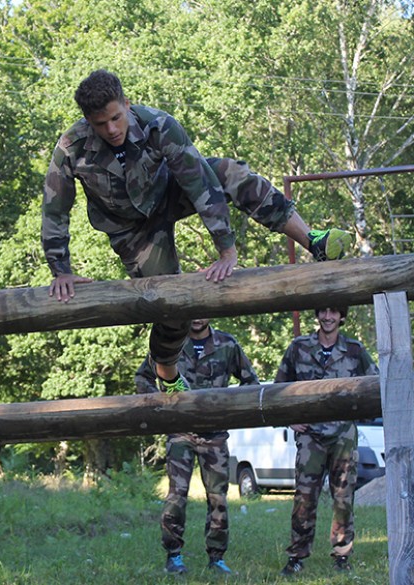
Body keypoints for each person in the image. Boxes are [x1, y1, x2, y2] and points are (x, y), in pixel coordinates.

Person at [44, 69, 353, 396]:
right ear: (87, 122)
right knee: (170, 303)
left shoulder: (158, 125)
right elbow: (55, 208)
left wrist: (226, 249)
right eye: (100, 124)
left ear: (127, 104)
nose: (111, 129)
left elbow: (199, 182)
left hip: (169, 193)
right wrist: (60, 270)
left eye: (116, 118)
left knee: (231, 173)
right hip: (130, 229)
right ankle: (167, 374)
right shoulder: (72, 147)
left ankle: (312, 240)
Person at [134, 318, 259, 575]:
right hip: (180, 432)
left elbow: (251, 383)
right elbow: (143, 377)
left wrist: (228, 408)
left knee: (218, 498)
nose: (198, 317)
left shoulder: (227, 344)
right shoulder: (171, 343)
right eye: (193, 312)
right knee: (176, 496)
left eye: (203, 311)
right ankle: (173, 556)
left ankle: (217, 558)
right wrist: (161, 405)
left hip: (215, 435)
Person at [275, 306, 377, 576]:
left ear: (342, 316)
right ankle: (297, 556)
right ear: (317, 315)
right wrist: (289, 419)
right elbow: (279, 388)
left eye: (334, 312)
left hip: (343, 435)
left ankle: (342, 555)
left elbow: (375, 385)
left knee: (343, 497)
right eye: (324, 312)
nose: (328, 317)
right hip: (310, 437)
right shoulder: (299, 347)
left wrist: (359, 414)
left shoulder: (354, 350)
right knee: (304, 498)